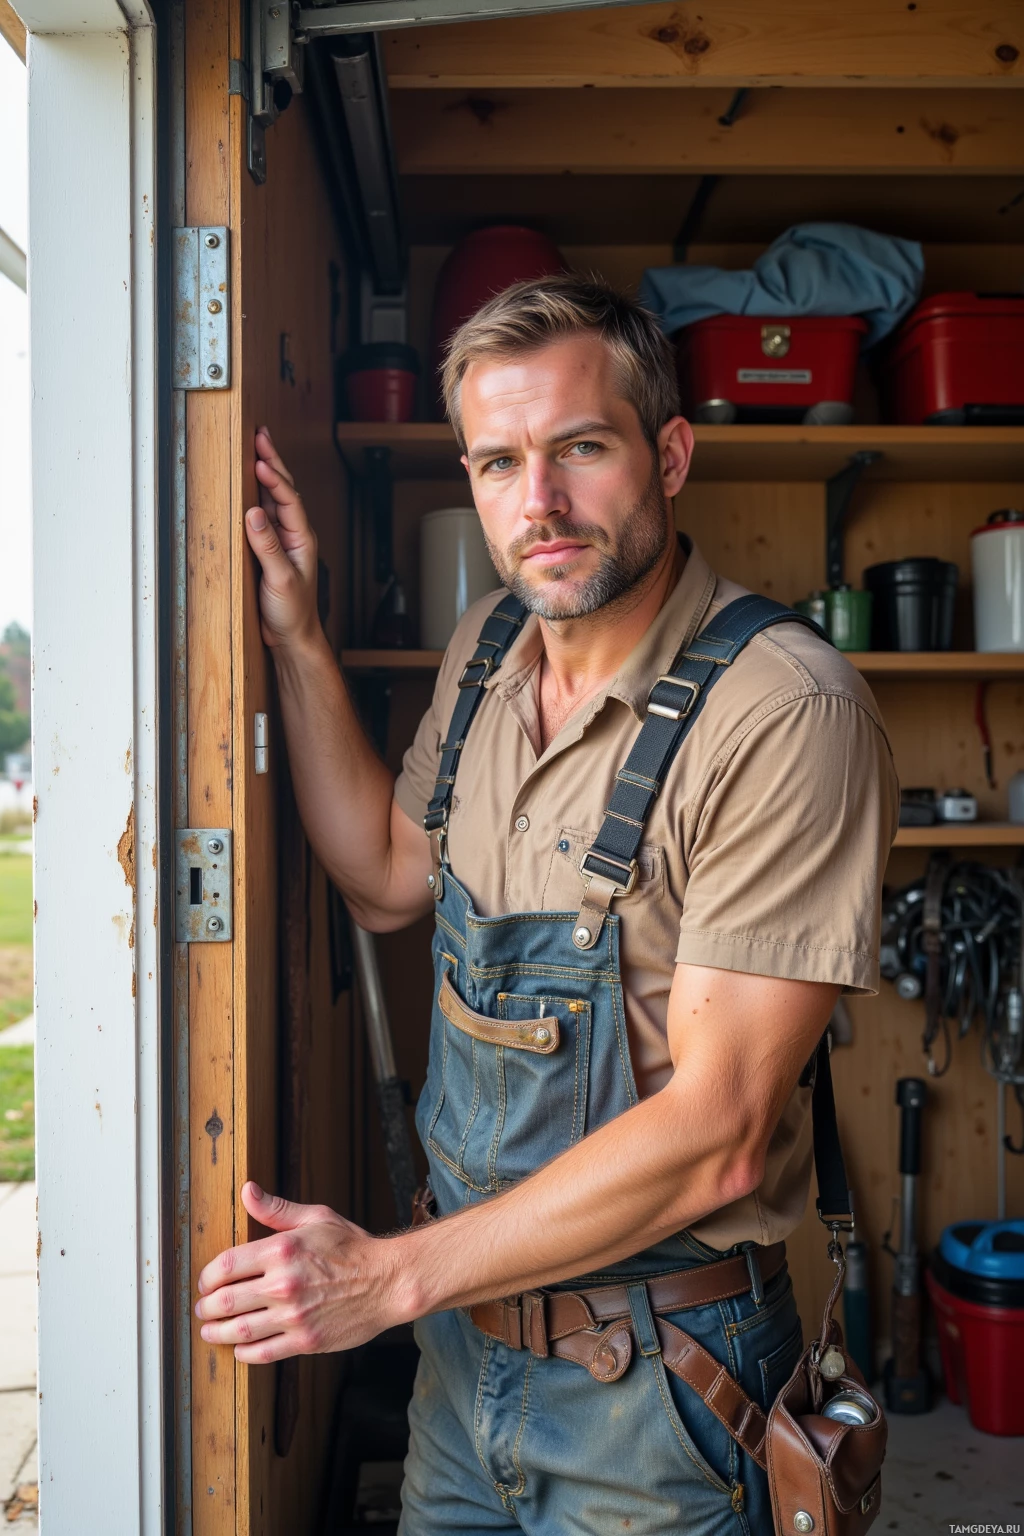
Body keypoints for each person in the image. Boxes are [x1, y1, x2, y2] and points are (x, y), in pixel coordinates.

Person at [195, 276, 898, 1535]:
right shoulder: (483, 653)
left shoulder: (783, 711)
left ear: (667, 454)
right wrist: (296, 636)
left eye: (579, 448)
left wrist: (387, 1279)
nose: (541, 504)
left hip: (664, 1402)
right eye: (499, 462)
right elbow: (383, 875)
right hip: (464, 1367)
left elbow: (722, 1128)